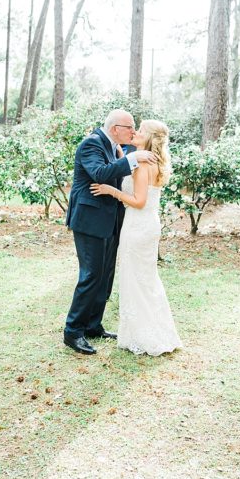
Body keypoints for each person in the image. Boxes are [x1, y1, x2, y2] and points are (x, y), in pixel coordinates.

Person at [63, 110, 157, 355]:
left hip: (113, 221)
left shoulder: (117, 146)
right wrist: (134, 157)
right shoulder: (91, 145)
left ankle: (94, 325)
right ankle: (73, 331)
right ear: (116, 127)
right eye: (130, 127)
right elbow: (101, 174)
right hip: (89, 221)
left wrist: (132, 156)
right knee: (91, 275)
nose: (133, 132)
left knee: (105, 276)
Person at [90, 120, 182, 356]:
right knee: (146, 280)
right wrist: (119, 151)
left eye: (140, 130)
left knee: (136, 279)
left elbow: (138, 201)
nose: (135, 132)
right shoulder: (151, 160)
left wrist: (112, 191)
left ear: (149, 137)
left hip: (138, 226)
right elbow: (127, 163)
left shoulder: (143, 165)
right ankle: (152, 331)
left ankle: (144, 335)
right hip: (149, 225)